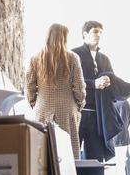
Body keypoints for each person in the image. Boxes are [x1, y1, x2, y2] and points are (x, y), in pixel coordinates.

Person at [72, 20, 130, 162]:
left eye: (100, 32)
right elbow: (70, 83)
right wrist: (94, 83)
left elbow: (112, 86)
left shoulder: (104, 58)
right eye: (95, 31)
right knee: (71, 158)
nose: (98, 35)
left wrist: (108, 81)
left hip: (97, 116)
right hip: (77, 113)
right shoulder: (74, 55)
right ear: (84, 34)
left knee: (96, 160)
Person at [25, 23, 87, 155]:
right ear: (64, 38)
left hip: (43, 109)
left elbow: (29, 86)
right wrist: (80, 104)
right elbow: (79, 87)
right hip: (67, 110)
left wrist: (34, 103)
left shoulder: (35, 58)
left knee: (42, 153)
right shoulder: (73, 58)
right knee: (67, 154)